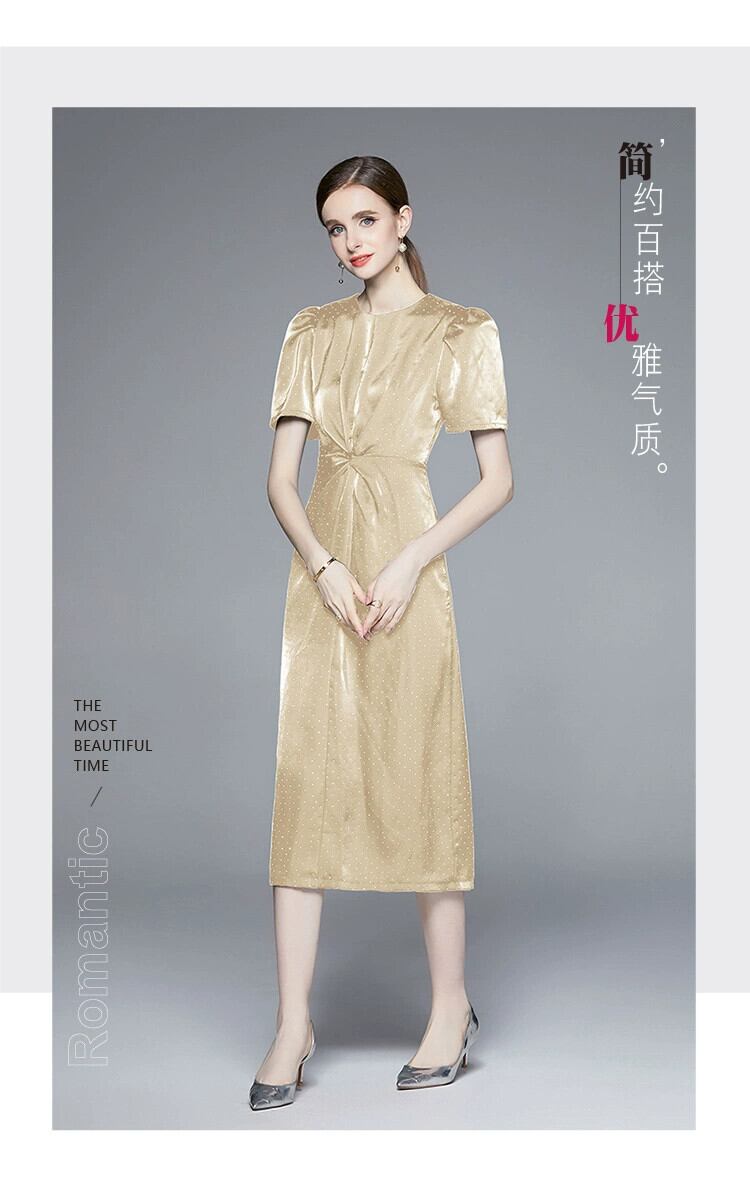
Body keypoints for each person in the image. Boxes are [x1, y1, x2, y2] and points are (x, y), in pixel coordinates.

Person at [249, 155, 513, 1110]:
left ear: (403, 220)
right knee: (306, 785)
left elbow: (497, 481)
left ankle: (449, 1006)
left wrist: (408, 563)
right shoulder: (311, 331)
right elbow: (281, 480)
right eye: (334, 226)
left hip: (408, 573)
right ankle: (294, 1022)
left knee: (422, 773)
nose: (350, 240)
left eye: (365, 218)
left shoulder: (461, 330)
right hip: (322, 580)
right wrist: (324, 567)